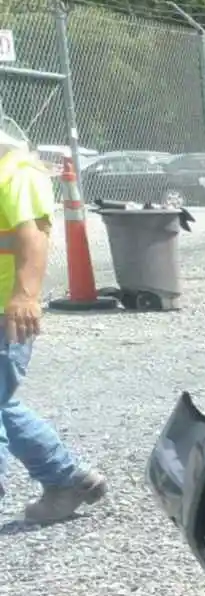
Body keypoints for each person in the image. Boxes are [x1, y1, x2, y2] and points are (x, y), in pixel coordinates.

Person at [1, 123, 107, 523]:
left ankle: (66, 480)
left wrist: (25, 296)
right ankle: (67, 480)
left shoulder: (17, 173)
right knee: (2, 404)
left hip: (5, 311)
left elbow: (35, 235)